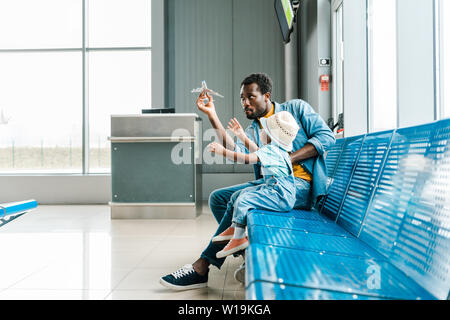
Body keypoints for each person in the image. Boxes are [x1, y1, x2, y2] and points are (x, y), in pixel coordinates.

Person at [159, 73, 335, 291]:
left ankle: (202, 266)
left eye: (250, 97)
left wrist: (286, 160)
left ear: (266, 96)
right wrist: (212, 115)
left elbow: (327, 137)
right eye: (242, 98)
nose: (245, 103)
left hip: (300, 186)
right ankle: (246, 253)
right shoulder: (254, 129)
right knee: (219, 198)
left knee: (241, 198)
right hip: (272, 183)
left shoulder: (294, 110)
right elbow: (237, 150)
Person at [208, 111, 300, 259]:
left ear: (271, 137)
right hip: (275, 190)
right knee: (238, 194)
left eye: (265, 130)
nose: (261, 131)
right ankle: (234, 229)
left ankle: (239, 238)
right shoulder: (274, 150)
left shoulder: (273, 151)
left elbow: (248, 158)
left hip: (279, 195)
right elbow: (257, 151)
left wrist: (223, 151)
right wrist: (241, 135)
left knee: (244, 199)